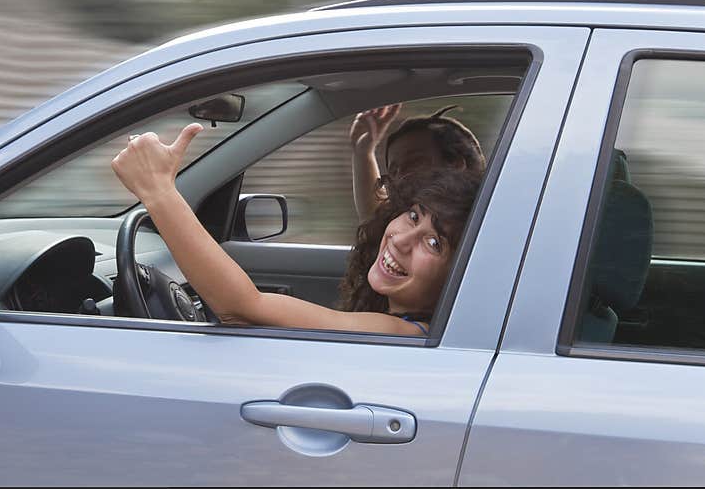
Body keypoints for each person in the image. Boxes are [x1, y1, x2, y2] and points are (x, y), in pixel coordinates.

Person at [112, 123, 481, 337]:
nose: (400, 239)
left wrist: (158, 191)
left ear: (460, 271)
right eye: (413, 216)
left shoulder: (403, 333)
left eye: (433, 243)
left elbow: (242, 307)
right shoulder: (404, 315)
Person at [350, 103, 486, 221]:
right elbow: (373, 216)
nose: (401, 176)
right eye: (394, 171)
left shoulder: (476, 226)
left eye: (415, 162)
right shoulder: (397, 225)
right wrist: (363, 152)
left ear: (455, 165)